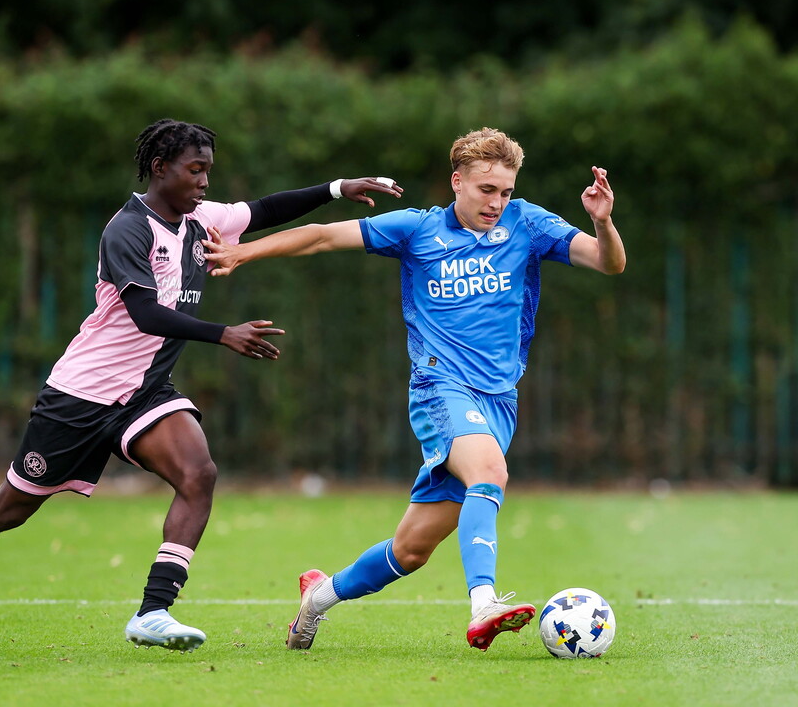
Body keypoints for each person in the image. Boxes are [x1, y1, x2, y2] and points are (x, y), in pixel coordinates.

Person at [0, 118, 402, 654]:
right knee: (10, 508)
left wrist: (338, 188)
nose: (203, 183)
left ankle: (153, 612)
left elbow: (265, 210)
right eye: (194, 170)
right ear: (160, 169)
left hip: (146, 392)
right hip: (82, 394)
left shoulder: (204, 219)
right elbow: (145, 313)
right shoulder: (127, 229)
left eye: (208, 172)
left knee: (199, 474)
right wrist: (223, 334)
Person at [203, 127, 626, 651]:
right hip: (439, 388)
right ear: (457, 182)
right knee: (490, 473)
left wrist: (603, 223)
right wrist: (243, 253)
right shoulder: (417, 230)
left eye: (506, 192)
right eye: (486, 190)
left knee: (411, 550)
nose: (497, 203)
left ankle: (319, 596)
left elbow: (610, 263)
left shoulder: (530, 224)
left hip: (499, 401)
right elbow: (320, 236)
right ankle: (483, 603)